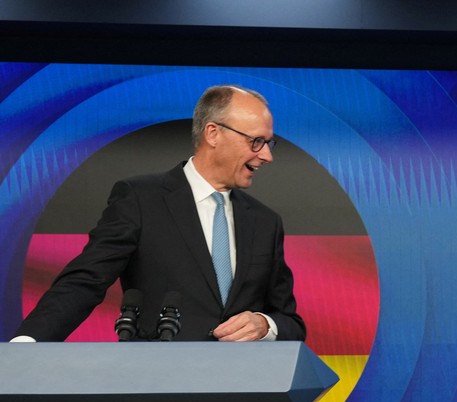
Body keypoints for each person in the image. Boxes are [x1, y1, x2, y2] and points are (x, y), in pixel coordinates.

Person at [12, 84, 305, 342]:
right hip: (156, 381)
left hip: (247, 384)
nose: (267, 155)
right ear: (213, 133)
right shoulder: (141, 199)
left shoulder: (265, 222)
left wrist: (265, 325)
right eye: (256, 141)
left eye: (269, 143)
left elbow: (290, 322)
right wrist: (29, 342)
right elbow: (85, 281)